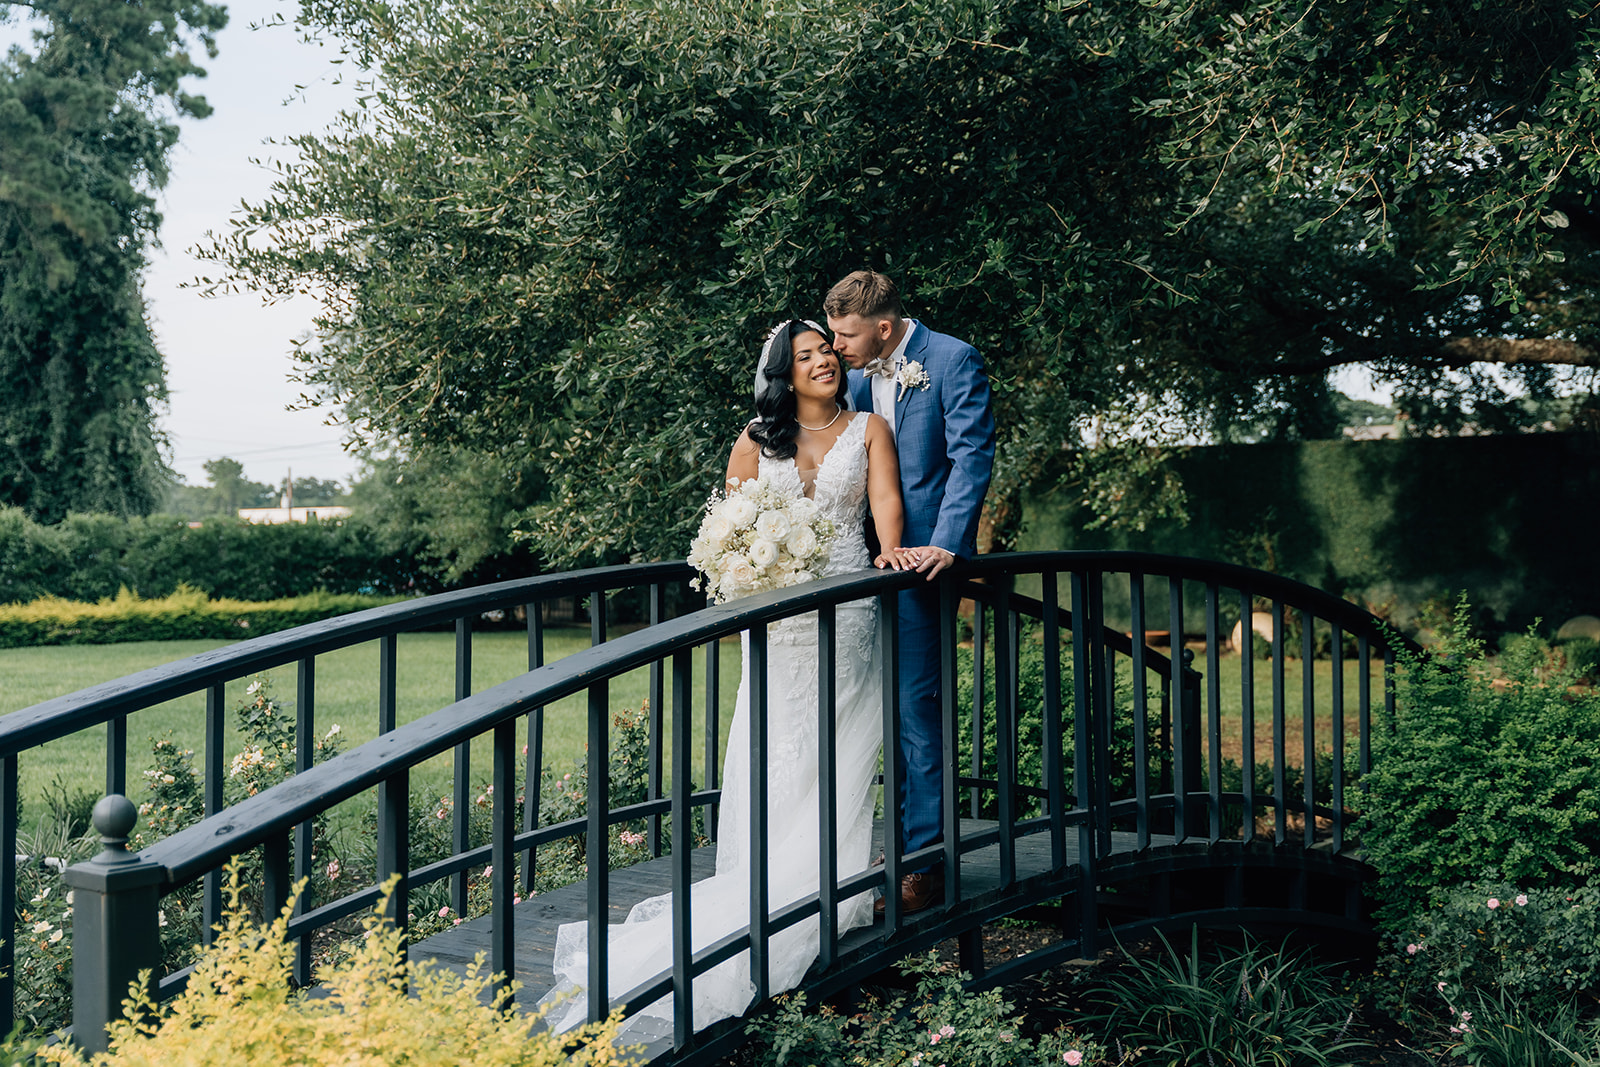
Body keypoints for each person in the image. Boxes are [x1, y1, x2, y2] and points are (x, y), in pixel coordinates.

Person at [538, 319, 907, 1042]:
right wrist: (744, 576)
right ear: (784, 373)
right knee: (775, 750)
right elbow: (728, 529)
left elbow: (885, 505)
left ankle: (826, 889)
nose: (823, 361)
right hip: (774, 624)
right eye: (805, 356)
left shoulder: (869, 429)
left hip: (851, 608)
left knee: (839, 749)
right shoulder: (754, 440)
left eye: (827, 351)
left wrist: (893, 554)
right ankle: (767, 888)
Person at [826, 270, 995, 915]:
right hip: (859, 568)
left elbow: (971, 456)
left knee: (915, 709)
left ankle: (923, 861)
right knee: (875, 709)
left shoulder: (953, 360)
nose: (837, 347)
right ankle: (896, 845)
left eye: (846, 335)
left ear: (886, 328)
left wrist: (946, 544)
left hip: (922, 565)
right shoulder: (860, 375)